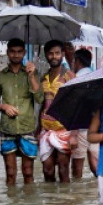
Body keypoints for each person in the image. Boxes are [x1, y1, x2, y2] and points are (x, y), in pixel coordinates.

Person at [0, 38, 43, 185]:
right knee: (10, 173)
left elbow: (40, 98)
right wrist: (4, 107)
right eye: (13, 52)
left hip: (27, 127)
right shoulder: (0, 76)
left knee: (28, 172)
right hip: (8, 128)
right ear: (7, 53)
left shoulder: (32, 73)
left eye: (19, 52)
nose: (16, 55)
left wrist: (32, 76)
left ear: (24, 53)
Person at [38, 39, 78, 182]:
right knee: (47, 170)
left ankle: (64, 202)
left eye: (57, 53)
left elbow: (77, 106)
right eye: (50, 54)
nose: (54, 56)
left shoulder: (70, 77)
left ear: (62, 54)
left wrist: (74, 134)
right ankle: (50, 203)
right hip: (46, 128)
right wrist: (38, 131)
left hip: (64, 129)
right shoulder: (44, 77)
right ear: (46, 55)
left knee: (63, 168)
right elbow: (42, 105)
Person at [71, 48, 98, 178]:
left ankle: (77, 197)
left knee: (77, 169)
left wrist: (73, 133)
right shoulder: (97, 77)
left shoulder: (75, 80)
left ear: (77, 61)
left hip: (80, 128)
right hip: (97, 128)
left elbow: (76, 106)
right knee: (96, 167)